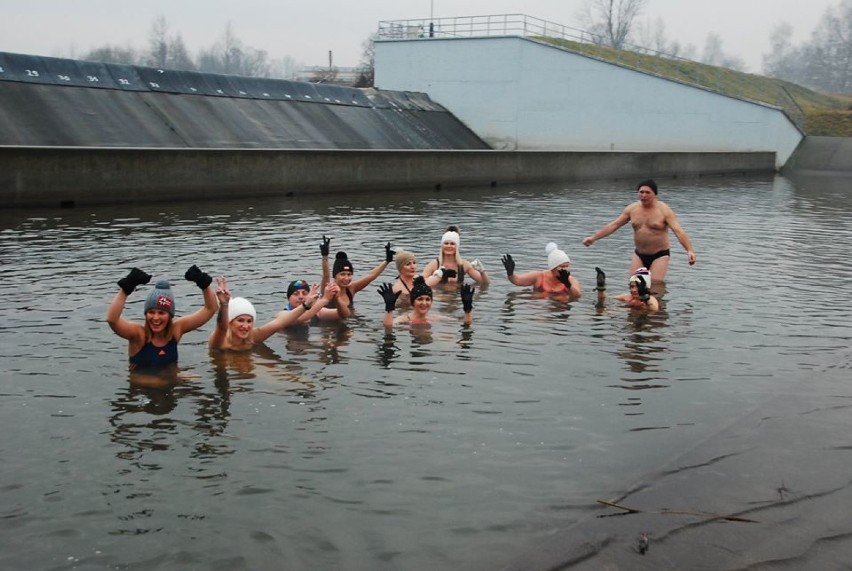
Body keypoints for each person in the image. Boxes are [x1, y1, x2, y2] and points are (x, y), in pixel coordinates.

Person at [582, 179, 696, 282]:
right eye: (641, 192)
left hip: (659, 255)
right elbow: (614, 225)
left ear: (654, 194)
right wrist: (593, 238)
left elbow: (678, 231)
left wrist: (689, 250)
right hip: (639, 254)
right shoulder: (632, 209)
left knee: (654, 286)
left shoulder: (664, 211)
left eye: (647, 193)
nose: (644, 195)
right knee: (634, 284)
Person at [107, 265, 217, 370]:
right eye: (151, 312)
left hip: (170, 384)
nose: (155, 318)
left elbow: (210, 309)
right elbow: (112, 320)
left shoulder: (176, 330)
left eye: (161, 313)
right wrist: (127, 287)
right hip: (143, 388)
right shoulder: (138, 335)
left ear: (170, 315)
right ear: (145, 314)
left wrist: (203, 283)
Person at [208, 277, 340, 350]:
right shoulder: (220, 341)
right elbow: (221, 327)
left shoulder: (252, 336)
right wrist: (224, 305)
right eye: (240, 320)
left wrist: (336, 297)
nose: (246, 326)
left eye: (249, 321)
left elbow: (343, 314)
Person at [320, 235, 394, 319]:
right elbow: (326, 276)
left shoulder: (351, 289)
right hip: (330, 326)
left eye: (349, 274)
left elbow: (371, 276)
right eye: (342, 274)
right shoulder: (329, 289)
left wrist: (387, 261)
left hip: (349, 321)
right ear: (335, 275)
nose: (346, 278)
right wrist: (325, 256)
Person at [378, 276, 474, 327]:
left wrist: (467, 308)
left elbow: (466, 323)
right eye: (420, 299)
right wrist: (389, 309)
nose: (424, 303)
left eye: (427, 299)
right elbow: (388, 327)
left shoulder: (435, 318)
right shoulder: (404, 320)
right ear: (413, 302)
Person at [501, 242, 582, 298]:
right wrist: (510, 273)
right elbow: (517, 280)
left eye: (567, 266)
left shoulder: (571, 280)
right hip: (540, 306)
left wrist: (567, 284)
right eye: (562, 266)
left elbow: (577, 296)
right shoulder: (538, 276)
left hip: (560, 308)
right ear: (553, 268)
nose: (565, 269)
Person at [421, 225, 490, 286]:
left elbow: (484, 283)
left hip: (458, 297)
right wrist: (435, 277)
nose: (449, 246)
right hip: (439, 298)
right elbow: (418, 283)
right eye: (446, 243)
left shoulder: (464, 265)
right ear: (442, 246)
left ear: (457, 246)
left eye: (452, 244)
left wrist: (482, 271)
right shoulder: (434, 264)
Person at [594, 266, 660, 312]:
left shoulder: (651, 299)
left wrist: (645, 298)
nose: (634, 290)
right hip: (631, 316)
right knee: (602, 312)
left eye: (638, 287)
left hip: (644, 321)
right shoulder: (628, 297)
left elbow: (654, 309)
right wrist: (601, 288)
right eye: (632, 287)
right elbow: (604, 298)